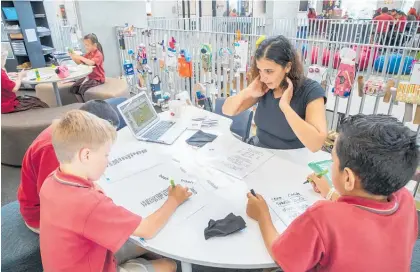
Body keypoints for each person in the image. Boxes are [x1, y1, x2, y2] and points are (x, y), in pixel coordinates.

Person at [246, 114, 418, 271]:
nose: (331, 163)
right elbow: (365, 214)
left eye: (332, 159)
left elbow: (281, 256)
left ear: (348, 178)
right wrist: (329, 193)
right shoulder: (405, 200)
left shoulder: (322, 216)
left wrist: (262, 215)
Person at [40, 110, 190, 271]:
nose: (107, 161)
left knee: (150, 245)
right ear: (86, 155)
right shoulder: (89, 204)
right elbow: (148, 229)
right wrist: (174, 199)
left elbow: (91, 196)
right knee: (169, 264)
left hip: (79, 258)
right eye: (105, 155)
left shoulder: (51, 180)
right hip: (94, 264)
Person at [18, 100, 124, 234]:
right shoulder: (52, 149)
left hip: (54, 197)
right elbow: (52, 199)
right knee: (107, 225)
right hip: (39, 213)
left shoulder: (69, 132)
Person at [223, 35, 327, 152]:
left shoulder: (310, 90)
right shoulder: (265, 86)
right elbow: (227, 110)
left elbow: (316, 144)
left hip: (291, 161)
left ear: (287, 66)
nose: (263, 77)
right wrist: (247, 92)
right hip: (258, 153)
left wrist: (286, 108)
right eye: (260, 70)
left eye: (269, 71)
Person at [1, 49, 48, 114]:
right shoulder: (1, 74)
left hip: (4, 102)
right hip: (7, 105)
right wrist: (20, 76)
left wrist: (8, 74)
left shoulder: (2, 73)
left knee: (33, 100)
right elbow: (14, 89)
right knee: (39, 103)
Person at [69, 33, 105, 102]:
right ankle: (81, 103)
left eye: (87, 45)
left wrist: (80, 57)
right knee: (73, 88)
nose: (86, 47)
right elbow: (80, 63)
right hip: (89, 77)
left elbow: (91, 63)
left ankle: (86, 104)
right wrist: (73, 57)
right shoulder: (89, 54)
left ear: (94, 45)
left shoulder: (98, 54)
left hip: (98, 78)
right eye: (85, 45)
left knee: (82, 88)